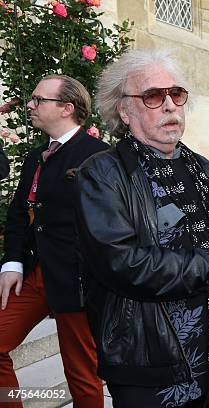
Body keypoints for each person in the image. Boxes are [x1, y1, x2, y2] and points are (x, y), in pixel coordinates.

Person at [75, 49, 209, 408]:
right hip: (151, 364)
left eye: (176, 94)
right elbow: (123, 263)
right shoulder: (102, 174)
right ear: (124, 110)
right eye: (152, 96)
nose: (169, 106)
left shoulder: (204, 168)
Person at [0, 75, 107, 407]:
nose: (30, 105)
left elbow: (108, 227)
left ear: (66, 108)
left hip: (77, 281)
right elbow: (20, 213)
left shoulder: (99, 156)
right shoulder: (35, 157)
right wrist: (12, 262)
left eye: (38, 100)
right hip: (35, 274)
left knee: (83, 376)